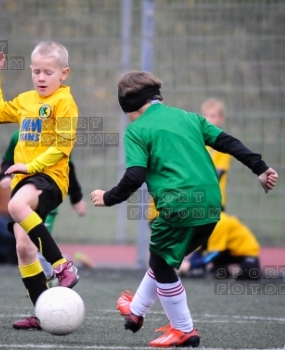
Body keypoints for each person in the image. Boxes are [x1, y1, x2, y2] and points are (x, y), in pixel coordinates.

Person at [90, 71, 278, 348]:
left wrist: (108, 198)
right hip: (212, 207)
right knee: (162, 259)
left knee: (162, 263)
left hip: (179, 205)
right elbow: (228, 142)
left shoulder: (137, 129)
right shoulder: (190, 118)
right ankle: (136, 311)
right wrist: (260, 168)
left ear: (130, 108)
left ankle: (184, 329)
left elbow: (135, 176)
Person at [0, 41, 80, 330]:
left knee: (15, 205)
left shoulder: (64, 102)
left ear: (63, 73)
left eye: (48, 72)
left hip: (49, 178)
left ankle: (63, 266)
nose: (41, 77)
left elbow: (63, 147)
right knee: (24, 249)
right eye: (36, 71)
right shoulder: (26, 100)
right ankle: (43, 312)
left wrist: (31, 166)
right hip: (24, 180)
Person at [179, 98, 261, 280]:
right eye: (206, 115)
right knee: (200, 234)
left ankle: (196, 264)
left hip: (215, 201)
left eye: (213, 116)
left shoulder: (221, 144)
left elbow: (216, 173)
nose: (209, 119)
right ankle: (205, 265)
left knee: (215, 231)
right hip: (198, 199)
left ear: (221, 119)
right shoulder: (199, 143)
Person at [0, 129, 87, 278]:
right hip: (23, 197)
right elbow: (7, 159)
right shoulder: (17, 135)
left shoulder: (60, 137)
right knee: (23, 248)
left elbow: (68, 168)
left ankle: (55, 277)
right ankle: (41, 287)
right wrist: (3, 175)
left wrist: (76, 198)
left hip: (47, 195)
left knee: (37, 246)